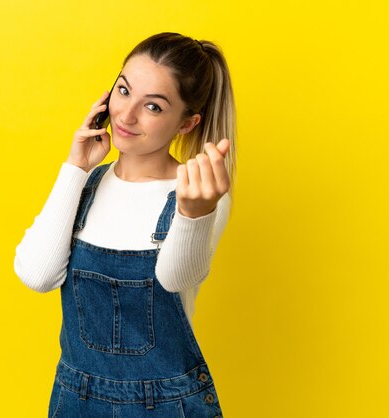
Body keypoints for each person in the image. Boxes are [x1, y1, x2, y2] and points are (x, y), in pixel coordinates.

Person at [14, 32, 236, 418]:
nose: (125, 115)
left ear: (187, 124)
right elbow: (37, 275)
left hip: (166, 405)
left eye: (152, 106)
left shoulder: (198, 194)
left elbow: (174, 279)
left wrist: (194, 213)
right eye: (122, 90)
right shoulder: (86, 184)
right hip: (76, 400)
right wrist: (75, 169)